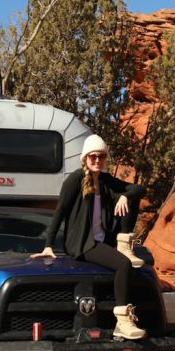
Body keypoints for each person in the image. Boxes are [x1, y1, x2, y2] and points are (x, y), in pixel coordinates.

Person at [31, 134, 147, 339]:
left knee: (129, 197)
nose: (96, 160)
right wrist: (48, 245)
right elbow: (60, 211)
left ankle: (124, 243)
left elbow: (139, 189)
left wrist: (125, 196)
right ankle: (122, 321)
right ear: (85, 158)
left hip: (103, 241)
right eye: (92, 156)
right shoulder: (76, 179)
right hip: (83, 243)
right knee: (123, 265)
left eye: (101, 156)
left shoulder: (105, 181)